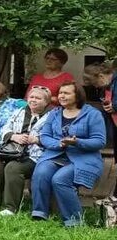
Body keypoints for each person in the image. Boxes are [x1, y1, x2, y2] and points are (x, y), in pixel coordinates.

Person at [31, 81, 106, 227]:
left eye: (66, 93)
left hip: (84, 158)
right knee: (41, 173)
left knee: (60, 179)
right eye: (60, 93)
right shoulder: (54, 113)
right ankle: (39, 214)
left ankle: (74, 222)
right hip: (55, 154)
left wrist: (77, 142)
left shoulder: (93, 114)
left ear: (77, 95)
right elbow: (45, 136)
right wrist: (59, 144)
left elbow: (99, 141)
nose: (61, 96)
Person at [0, 86, 51, 216]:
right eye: (31, 97)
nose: (33, 100)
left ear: (46, 102)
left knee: (13, 168)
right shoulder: (20, 111)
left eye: (38, 98)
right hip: (12, 151)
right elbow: (4, 129)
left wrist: (36, 139)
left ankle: (10, 208)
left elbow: (54, 137)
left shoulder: (51, 116)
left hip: (35, 155)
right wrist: (13, 136)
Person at [86, 62, 117, 213]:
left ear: (101, 76)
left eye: (95, 82)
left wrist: (114, 106)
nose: (96, 86)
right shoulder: (107, 87)